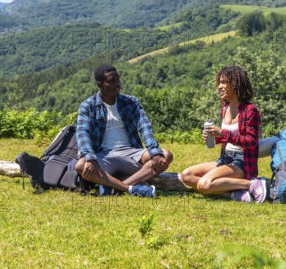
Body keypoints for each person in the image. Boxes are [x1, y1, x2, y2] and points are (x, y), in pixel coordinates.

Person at [74, 64, 173, 198]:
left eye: (118, 79)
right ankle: (132, 189)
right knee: (81, 165)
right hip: (103, 155)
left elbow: (145, 127)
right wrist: (90, 158)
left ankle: (118, 188)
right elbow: (82, 133)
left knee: (165, 155)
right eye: (111, 81)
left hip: (131, 152)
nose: (117, 84)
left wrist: (154, 152)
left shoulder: (131, 102)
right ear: (100, 85)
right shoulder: (88, 106)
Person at [181, 65, 266, 203]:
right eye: (219, 82)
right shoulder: (225, 108)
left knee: (204, 184)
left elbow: (251, 141)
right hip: (225, 158)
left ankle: (251, 184)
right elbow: (229, 138)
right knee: (186, 175)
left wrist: (222, 133)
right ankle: (232, 194)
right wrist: (216, 139)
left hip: (242, 162)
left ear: (236, 84)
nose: (219, 86)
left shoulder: (250, 110)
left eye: (224, 82)